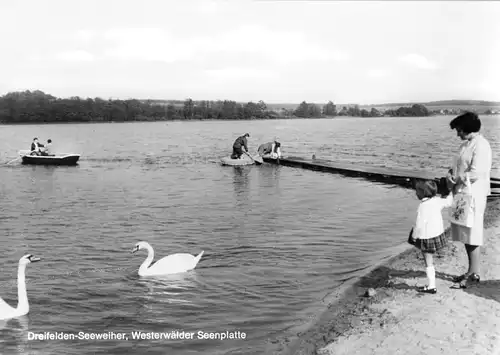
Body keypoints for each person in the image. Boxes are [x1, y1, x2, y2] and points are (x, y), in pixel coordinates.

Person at [446, 112, 492, 288]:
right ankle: (471, 270)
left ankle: (474, 272)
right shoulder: (466, 145)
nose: (457, 134)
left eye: (459, 130)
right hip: (463, 194)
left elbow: (476, 172)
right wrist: (449, 176)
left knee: (472, 233)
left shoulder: (481, 145)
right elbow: (457, 167)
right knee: (465, 233)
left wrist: (457, 178)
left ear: (467, 128)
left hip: (473, 195)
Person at [408, 179, 454, 294]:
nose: (415, 193)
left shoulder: (422, 206)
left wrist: (414, 237)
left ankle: (431, 286)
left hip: (427, 237)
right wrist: (451, 191)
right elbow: (448, 202)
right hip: (437, 235)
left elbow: (419, 225)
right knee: (430, 259)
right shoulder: (437, 201)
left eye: (417, 191)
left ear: (423, 193)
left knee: (428, 262)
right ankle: (431, 284)